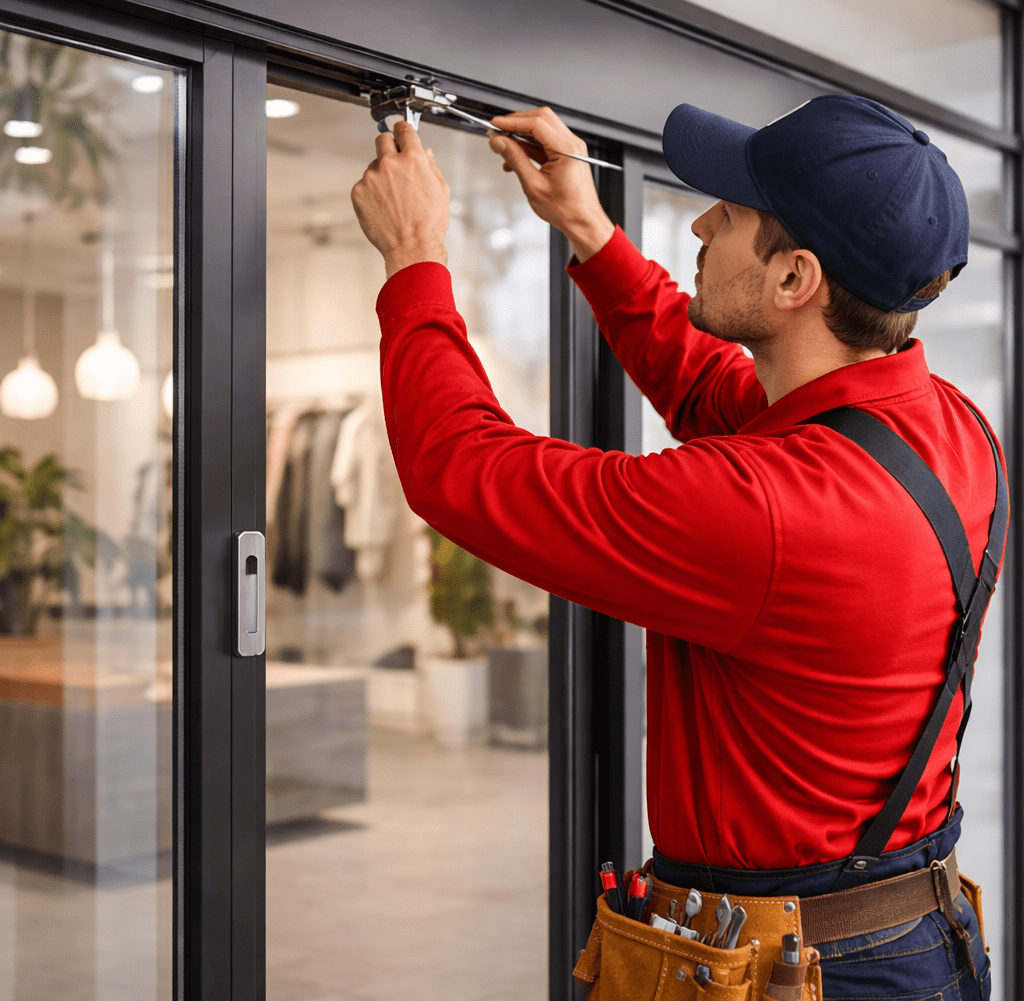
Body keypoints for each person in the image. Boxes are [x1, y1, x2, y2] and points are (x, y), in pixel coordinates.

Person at [350, 94, 1005, 999]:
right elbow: (709, 386)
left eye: (729, 215)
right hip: (911, 937)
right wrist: (586, 224)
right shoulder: (949, 428)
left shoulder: (773, 509)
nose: (700, 222)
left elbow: (462, 469)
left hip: (801, 970)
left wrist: (414, 258)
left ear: (793, 281)